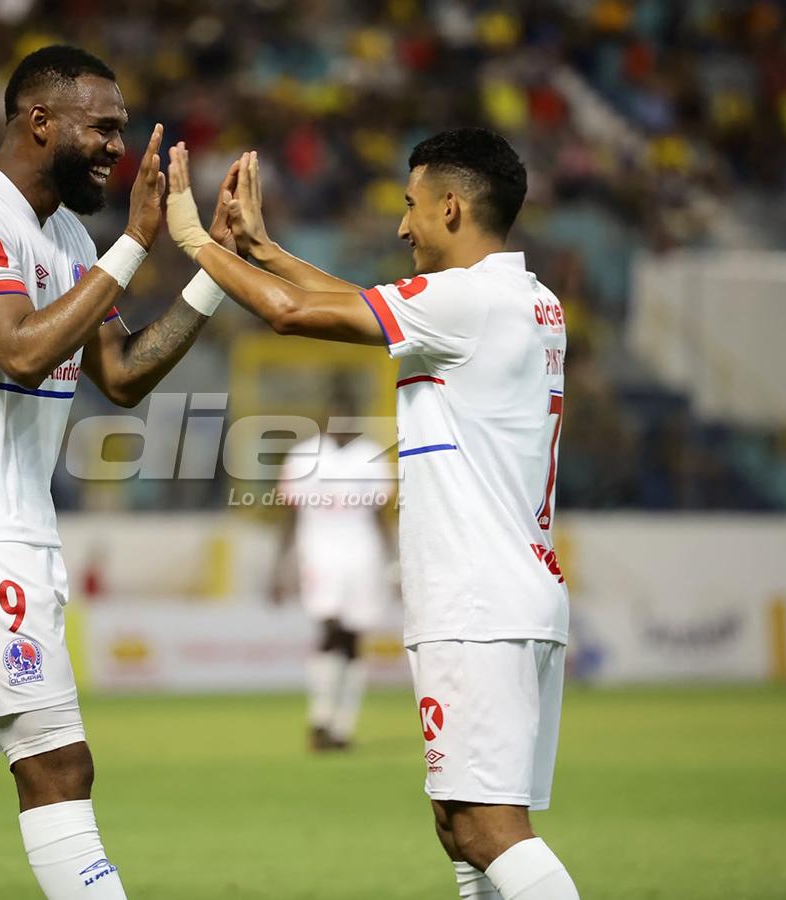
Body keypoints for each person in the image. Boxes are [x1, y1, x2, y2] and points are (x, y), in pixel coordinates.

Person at [0, 46, 237, 900]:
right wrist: (136, 242)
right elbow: (23, 352)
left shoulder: (65, 234)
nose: (118, 146)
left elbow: (126, 374)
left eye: (122, 130)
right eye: (103, 127)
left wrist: (210, 272)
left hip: (4, 535)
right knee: (61, 764)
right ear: (40, 121)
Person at [164, 131, 579, 899]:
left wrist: (193, 240)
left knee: (489, 828)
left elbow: (291, 315)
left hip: (475, 603)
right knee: (461, 826)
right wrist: (264, 248)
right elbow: (341, 301)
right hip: (510, 591)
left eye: (411, 206)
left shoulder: (465, 301)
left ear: (452, 207)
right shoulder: (529, 300)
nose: (400, 227)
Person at [273, 380, 394, 751]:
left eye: (350, 416)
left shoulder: (373, 456)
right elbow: (289, 516)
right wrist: (279, 566)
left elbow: (379, 514)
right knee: (329, 627)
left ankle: (342, 726)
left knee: (355, 636)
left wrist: (394, 562)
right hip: (320, 552)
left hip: (363, 554)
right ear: (326, 417)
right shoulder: (303, 457)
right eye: (337, 415)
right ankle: (321, 718)